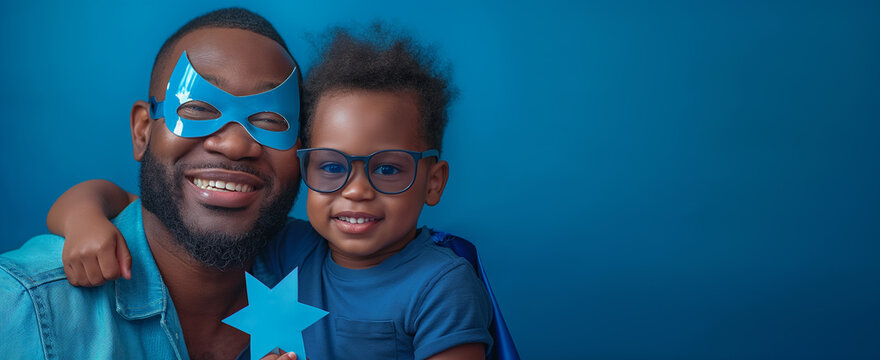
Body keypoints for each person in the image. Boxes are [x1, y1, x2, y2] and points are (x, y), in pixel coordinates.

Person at [49, 26, 511, 360]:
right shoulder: (297, 245)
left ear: (433, 181)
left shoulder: (443, 285)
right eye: (332, 167)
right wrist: (84, 221)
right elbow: (146, 206)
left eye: (388, 169)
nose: (356, 192)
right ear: (306, 165)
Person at [0, 8, 309, 359]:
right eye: (199, 108)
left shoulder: (330, 282)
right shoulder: (21, 307)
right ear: (142, 131)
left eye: (270, 119)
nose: (235, 145)